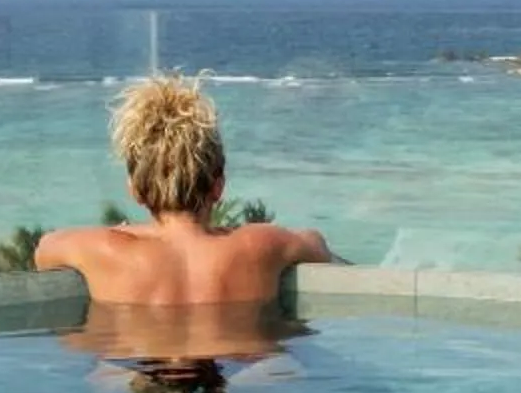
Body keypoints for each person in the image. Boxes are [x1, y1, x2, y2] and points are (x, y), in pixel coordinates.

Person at [35, 74, 337, 314]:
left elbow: (44, 249)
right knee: (276, 364)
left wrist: (128, 232)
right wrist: (228, 232)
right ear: (218, 186)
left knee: (104, 366)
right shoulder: (258, 244)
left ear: (135, 190)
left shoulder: (105, 249)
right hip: (240, 364)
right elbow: (317, 246)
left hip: (139, 365)